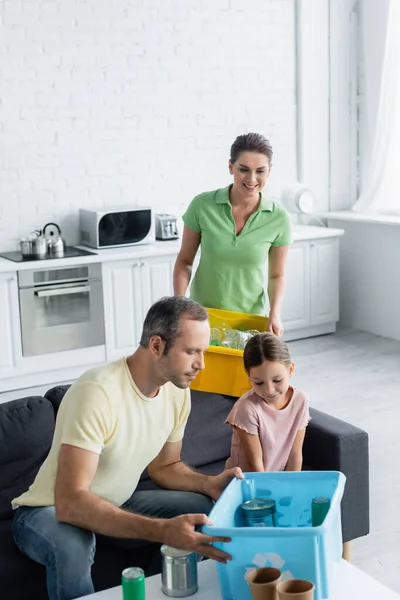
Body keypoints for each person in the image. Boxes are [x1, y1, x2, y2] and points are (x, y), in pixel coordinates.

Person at [12, 296, 242, 600]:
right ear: (157, 345)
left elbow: (165, 466)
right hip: (47, 510)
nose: (202, 364)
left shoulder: (176, 392)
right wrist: (162, 530)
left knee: (201, 513)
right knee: (72, 546)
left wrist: (209, 484)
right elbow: (70, 502)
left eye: (203, 352)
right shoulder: (98, 392)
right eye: (191, 352)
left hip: (117, 500)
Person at [173, 132, 292, 336]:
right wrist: (179, 306)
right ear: (230, 167)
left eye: (260, 171)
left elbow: (277, 275)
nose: (252, 179)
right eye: (243, 169)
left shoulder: (278, 218)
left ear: (269, 171)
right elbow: (185, 261)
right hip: (201, 317)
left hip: (250, 320)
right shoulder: (202, 206)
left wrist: (275, 313)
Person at [225, 333, 310, 472]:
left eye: (277, 380)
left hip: (275, 481)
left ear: (291, 370)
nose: (269, 390)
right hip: (245, 482)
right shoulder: (246, 408)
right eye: (259, 382)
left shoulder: (300, 401)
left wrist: (290, 490)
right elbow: (256, 466)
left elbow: (295, 455)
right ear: (249, 377)